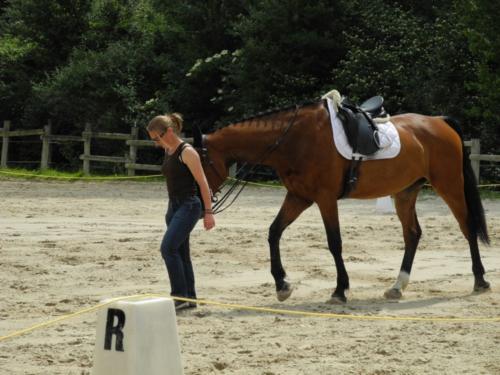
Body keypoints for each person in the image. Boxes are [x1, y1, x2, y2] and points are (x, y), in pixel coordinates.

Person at [147, 113, 215, 311]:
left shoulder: (187, 152)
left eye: (156, 138)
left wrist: (208, 212)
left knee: (167, 249)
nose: (155, 143)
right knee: (181, 253)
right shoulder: (168, 150)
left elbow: (203, 183)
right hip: (174, 207)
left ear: (168, 131)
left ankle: (179, 297)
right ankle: (190, 298)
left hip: (189, 206)